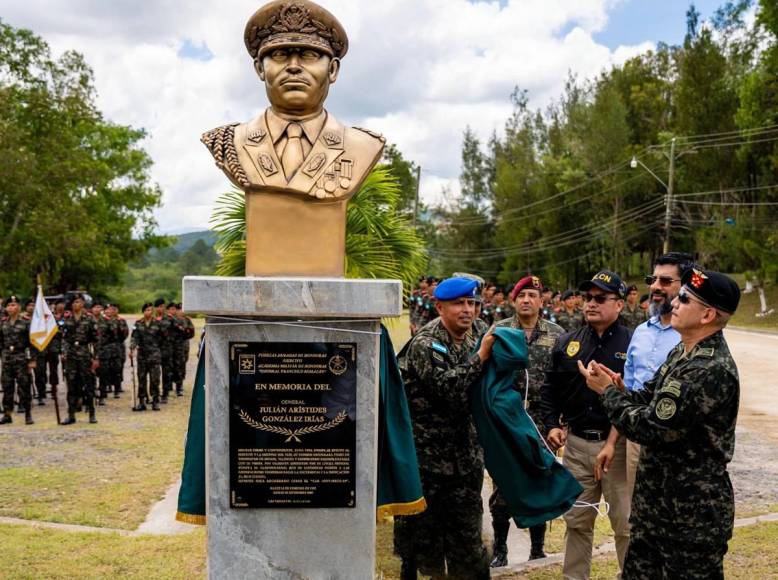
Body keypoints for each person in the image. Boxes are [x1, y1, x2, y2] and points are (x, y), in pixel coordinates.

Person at [579, 267, 741, 579]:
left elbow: (651, 428)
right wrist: (622, 389)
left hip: (690, 520)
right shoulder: (682, 351)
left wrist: (608, 394)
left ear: (707, 316)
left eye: (684, 299)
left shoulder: (707, 368)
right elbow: (651, 397)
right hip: (656, 512)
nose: (674, 304)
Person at [202, 0, 383, 201]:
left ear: (332, 70)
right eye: (279, 55)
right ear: (260, 69)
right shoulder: (229, 141)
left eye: (309, 55)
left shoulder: (363, 146)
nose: (294, 66)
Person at [395, 277, 495, 580]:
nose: (467, 310)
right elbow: (447, 388)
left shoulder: (478, 332)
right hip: (427, 464)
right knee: (422, 545)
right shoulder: (426, 343)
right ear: (439, 307)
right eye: (458, 304)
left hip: (465, 460)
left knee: (468, 542)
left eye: (471, 303)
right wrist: (480, 358)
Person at [540, 270, 632, 579]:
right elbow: (549, 389)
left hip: (617, 448)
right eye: (587, 297)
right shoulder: (568, 342)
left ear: (619, 305)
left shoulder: (632, 344)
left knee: (625, 523)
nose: (590, 304)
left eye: (600, 298)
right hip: (577, 446)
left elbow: (638, 397)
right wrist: (552, 424)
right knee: (577, 521)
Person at [489, 275, 564, 566]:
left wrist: (562, 423)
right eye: (521, 295)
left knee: (540, 482)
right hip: (507, 422)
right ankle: (500, 550)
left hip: (543, 424)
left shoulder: (557, 334)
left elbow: (563, 382)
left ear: (541, 301)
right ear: (513, 300)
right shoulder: (499, 331)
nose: (526, 300)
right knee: (503, 487)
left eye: (532, 295)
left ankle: (537, 549)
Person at [622, 252, 692, 498]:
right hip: (637, 437)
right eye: (653, 280)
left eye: (665, 281)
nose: (654, 287)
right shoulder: (641, 331)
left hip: (674, 442)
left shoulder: (693, 335)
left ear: (685, 286)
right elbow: (629, 386)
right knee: (635, 510)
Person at [61, 294, 98, 425]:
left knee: (88, 385)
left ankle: (92, 413)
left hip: (84, 355)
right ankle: (71, 415)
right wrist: (64, 352)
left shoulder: (89, 319)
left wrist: (96, 358)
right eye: (74, 302)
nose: (77, 304)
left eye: (79, 302)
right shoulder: (66, 319)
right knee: (71, 386)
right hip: (71, 356)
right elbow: (64, 338)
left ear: (83, 304)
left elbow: (96, 340)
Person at [0, 296, 36, 425]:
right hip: (7, 358)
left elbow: (33, 343)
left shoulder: (26, 322)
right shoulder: (3, 323)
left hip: (21, 357)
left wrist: (32, 359)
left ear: (19, 307)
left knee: (24, 387)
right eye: (9, 305)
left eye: (13, 305)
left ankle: (28, 414)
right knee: (7, 387)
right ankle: (7, 414)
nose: (11, 308)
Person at [131, 302, 163, 411]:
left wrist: (159, 350)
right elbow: (134, 337)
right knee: (142, 379)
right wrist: (132, 348)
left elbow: (163, 338)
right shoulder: (138, 323)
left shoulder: (158, 323)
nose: (148, 312)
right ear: (143, 312)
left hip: (154, 355)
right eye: (146, 310)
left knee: (155, 379)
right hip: (142, 355)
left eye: (150, 310)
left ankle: (155, 401)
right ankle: (142, 401)